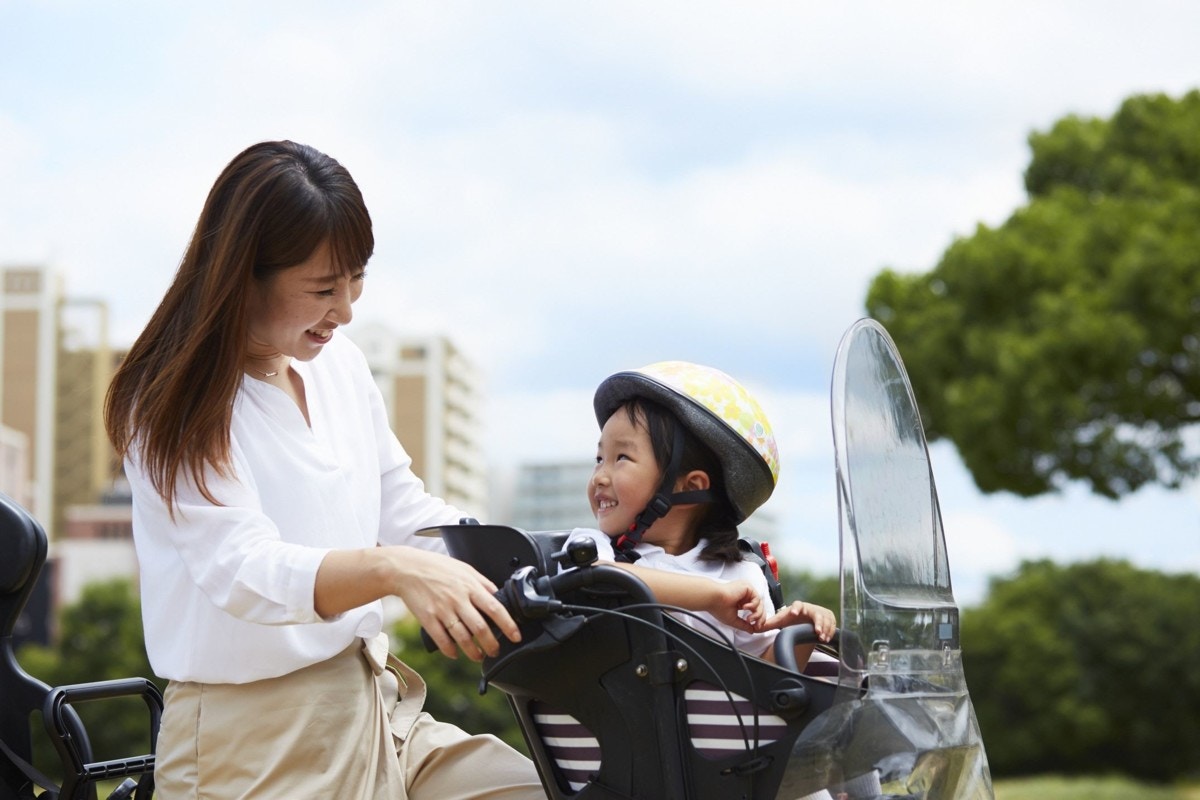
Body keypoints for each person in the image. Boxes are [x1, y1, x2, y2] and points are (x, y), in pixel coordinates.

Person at [104, 140, 545, 799]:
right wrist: (393, 570)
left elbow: (403, 508)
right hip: (254, 748)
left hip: (375, 711)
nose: (345, 310)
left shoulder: (339, 366)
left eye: (355, 283)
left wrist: (523, 559)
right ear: (242, 274)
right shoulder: (173, 399)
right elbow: (243, 571)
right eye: (322, 289)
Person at [565, 360, 836, 664]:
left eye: (621, 457)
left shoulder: (741, 575)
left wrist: (799, 635)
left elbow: (767, 687)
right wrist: (712, 596)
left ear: (688, 486)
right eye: (599, 458)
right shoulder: (592, 548)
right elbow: (595, 577)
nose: (599, 476)